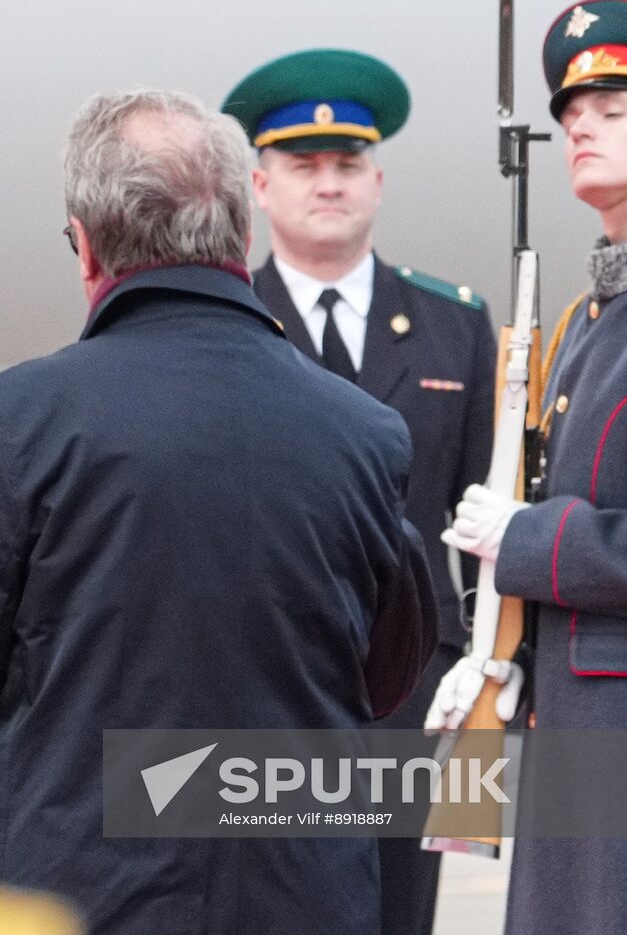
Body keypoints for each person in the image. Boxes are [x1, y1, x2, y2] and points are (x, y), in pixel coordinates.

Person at [0, 89, 436, 934]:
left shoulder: (10, 424)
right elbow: (389, 671)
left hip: (72, 905)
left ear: (86, 246)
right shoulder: (364, 434)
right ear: (241, 237)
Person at [428, 0, 627, 935]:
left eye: (612, 112)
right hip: (579, 717)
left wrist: (530, 539)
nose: (580, 128)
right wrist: (505, 655)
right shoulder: (596, 315)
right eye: (574, 115)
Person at [222, 48, 496, 935]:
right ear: (259, 187)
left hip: (415, 685)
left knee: (399, 911)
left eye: (347, 166)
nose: (328, 184)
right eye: (303, 166)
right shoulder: (220, 324)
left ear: (376, 181)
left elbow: (478, 510)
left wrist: (483, 669)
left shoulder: (455, 324)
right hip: (259, 681)